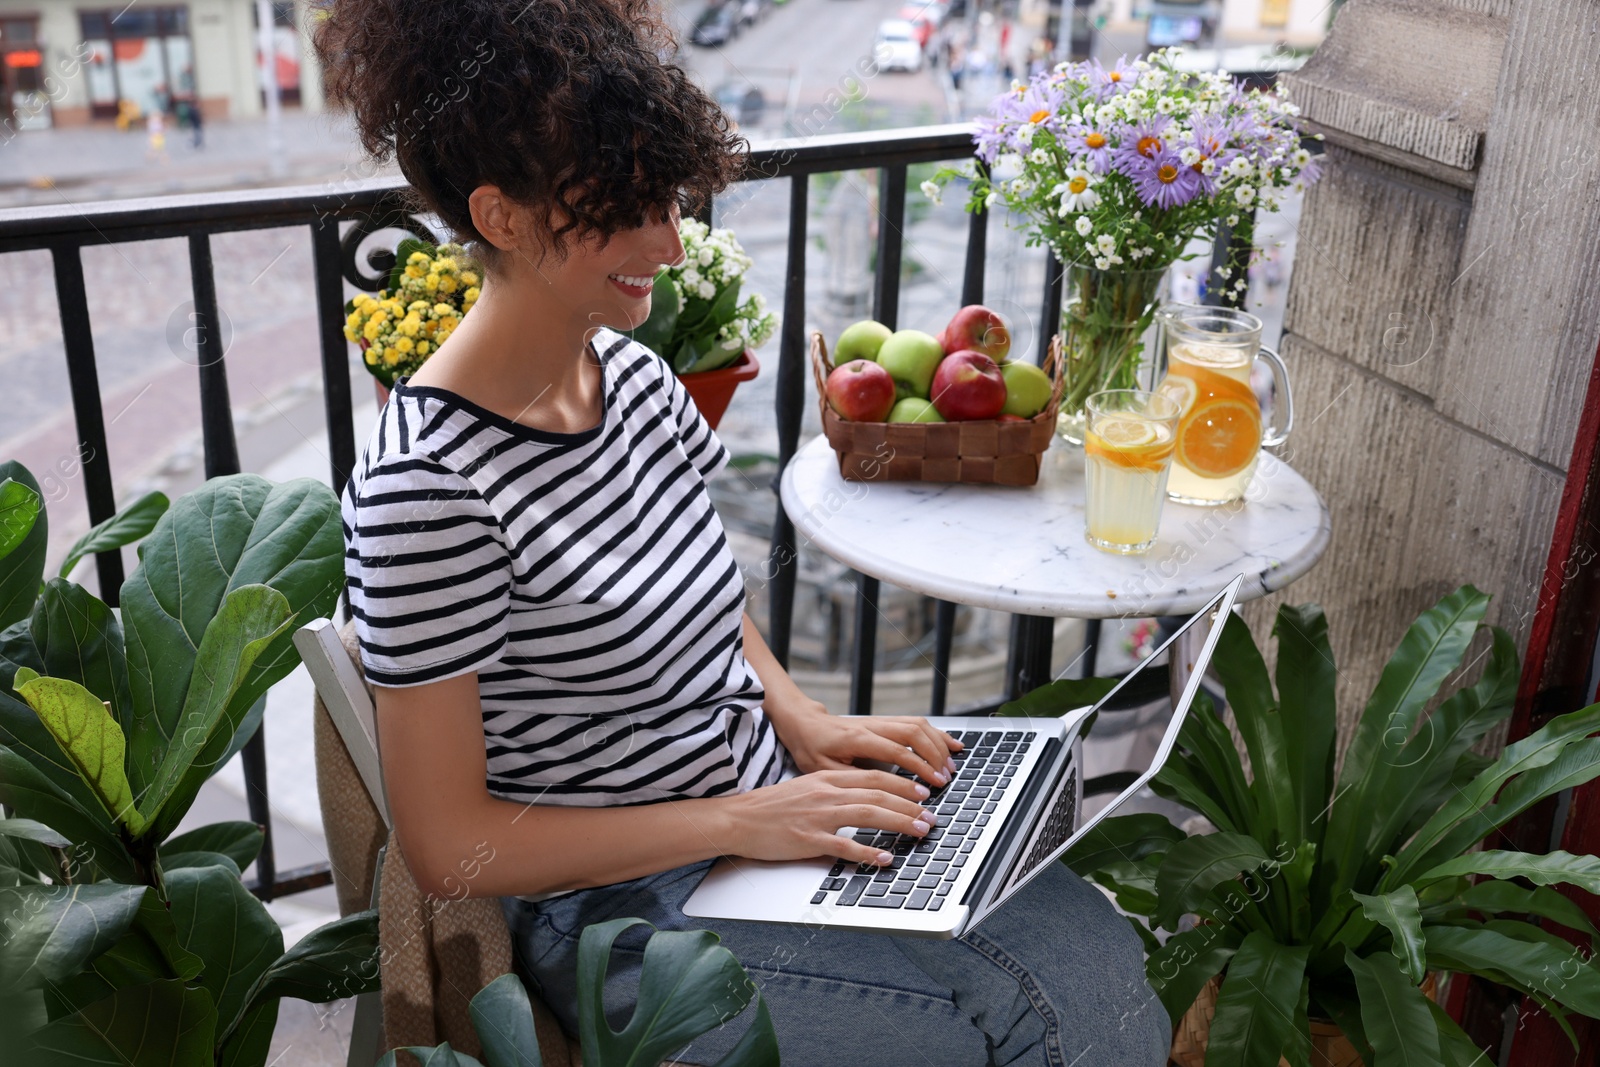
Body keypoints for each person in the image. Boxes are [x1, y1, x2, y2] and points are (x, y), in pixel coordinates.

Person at [314, 1, 1169, 1064]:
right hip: (615, 903)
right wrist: (735, 822)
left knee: (1097, 959)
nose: (671, 242)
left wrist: (802, 718)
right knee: (978, 1033)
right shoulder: (429, 486)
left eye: (668, 198)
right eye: (627, 210)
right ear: (500, 215)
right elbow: (450, 845)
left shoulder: (631, 376)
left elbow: (713, 607)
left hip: (761, 812)